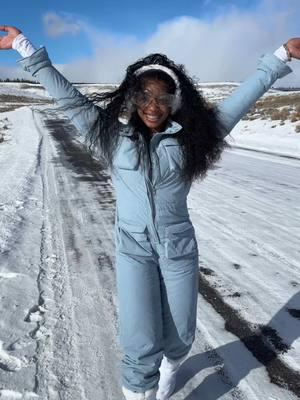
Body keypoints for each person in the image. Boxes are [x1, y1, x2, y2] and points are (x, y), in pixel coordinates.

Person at [0, 25, 299, 400]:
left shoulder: (194, 138)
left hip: (178, 247)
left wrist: (281, 56)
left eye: (162, 97)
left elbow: (239, 100)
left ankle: (172, 365)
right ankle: (141, 390)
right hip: (133, 248)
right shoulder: (111, 135)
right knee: (139, 337)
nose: (153, 105)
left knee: (180, 334)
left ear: (175, 100)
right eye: (144, 95)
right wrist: (24, 48)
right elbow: (70, 99)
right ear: (133, 96)